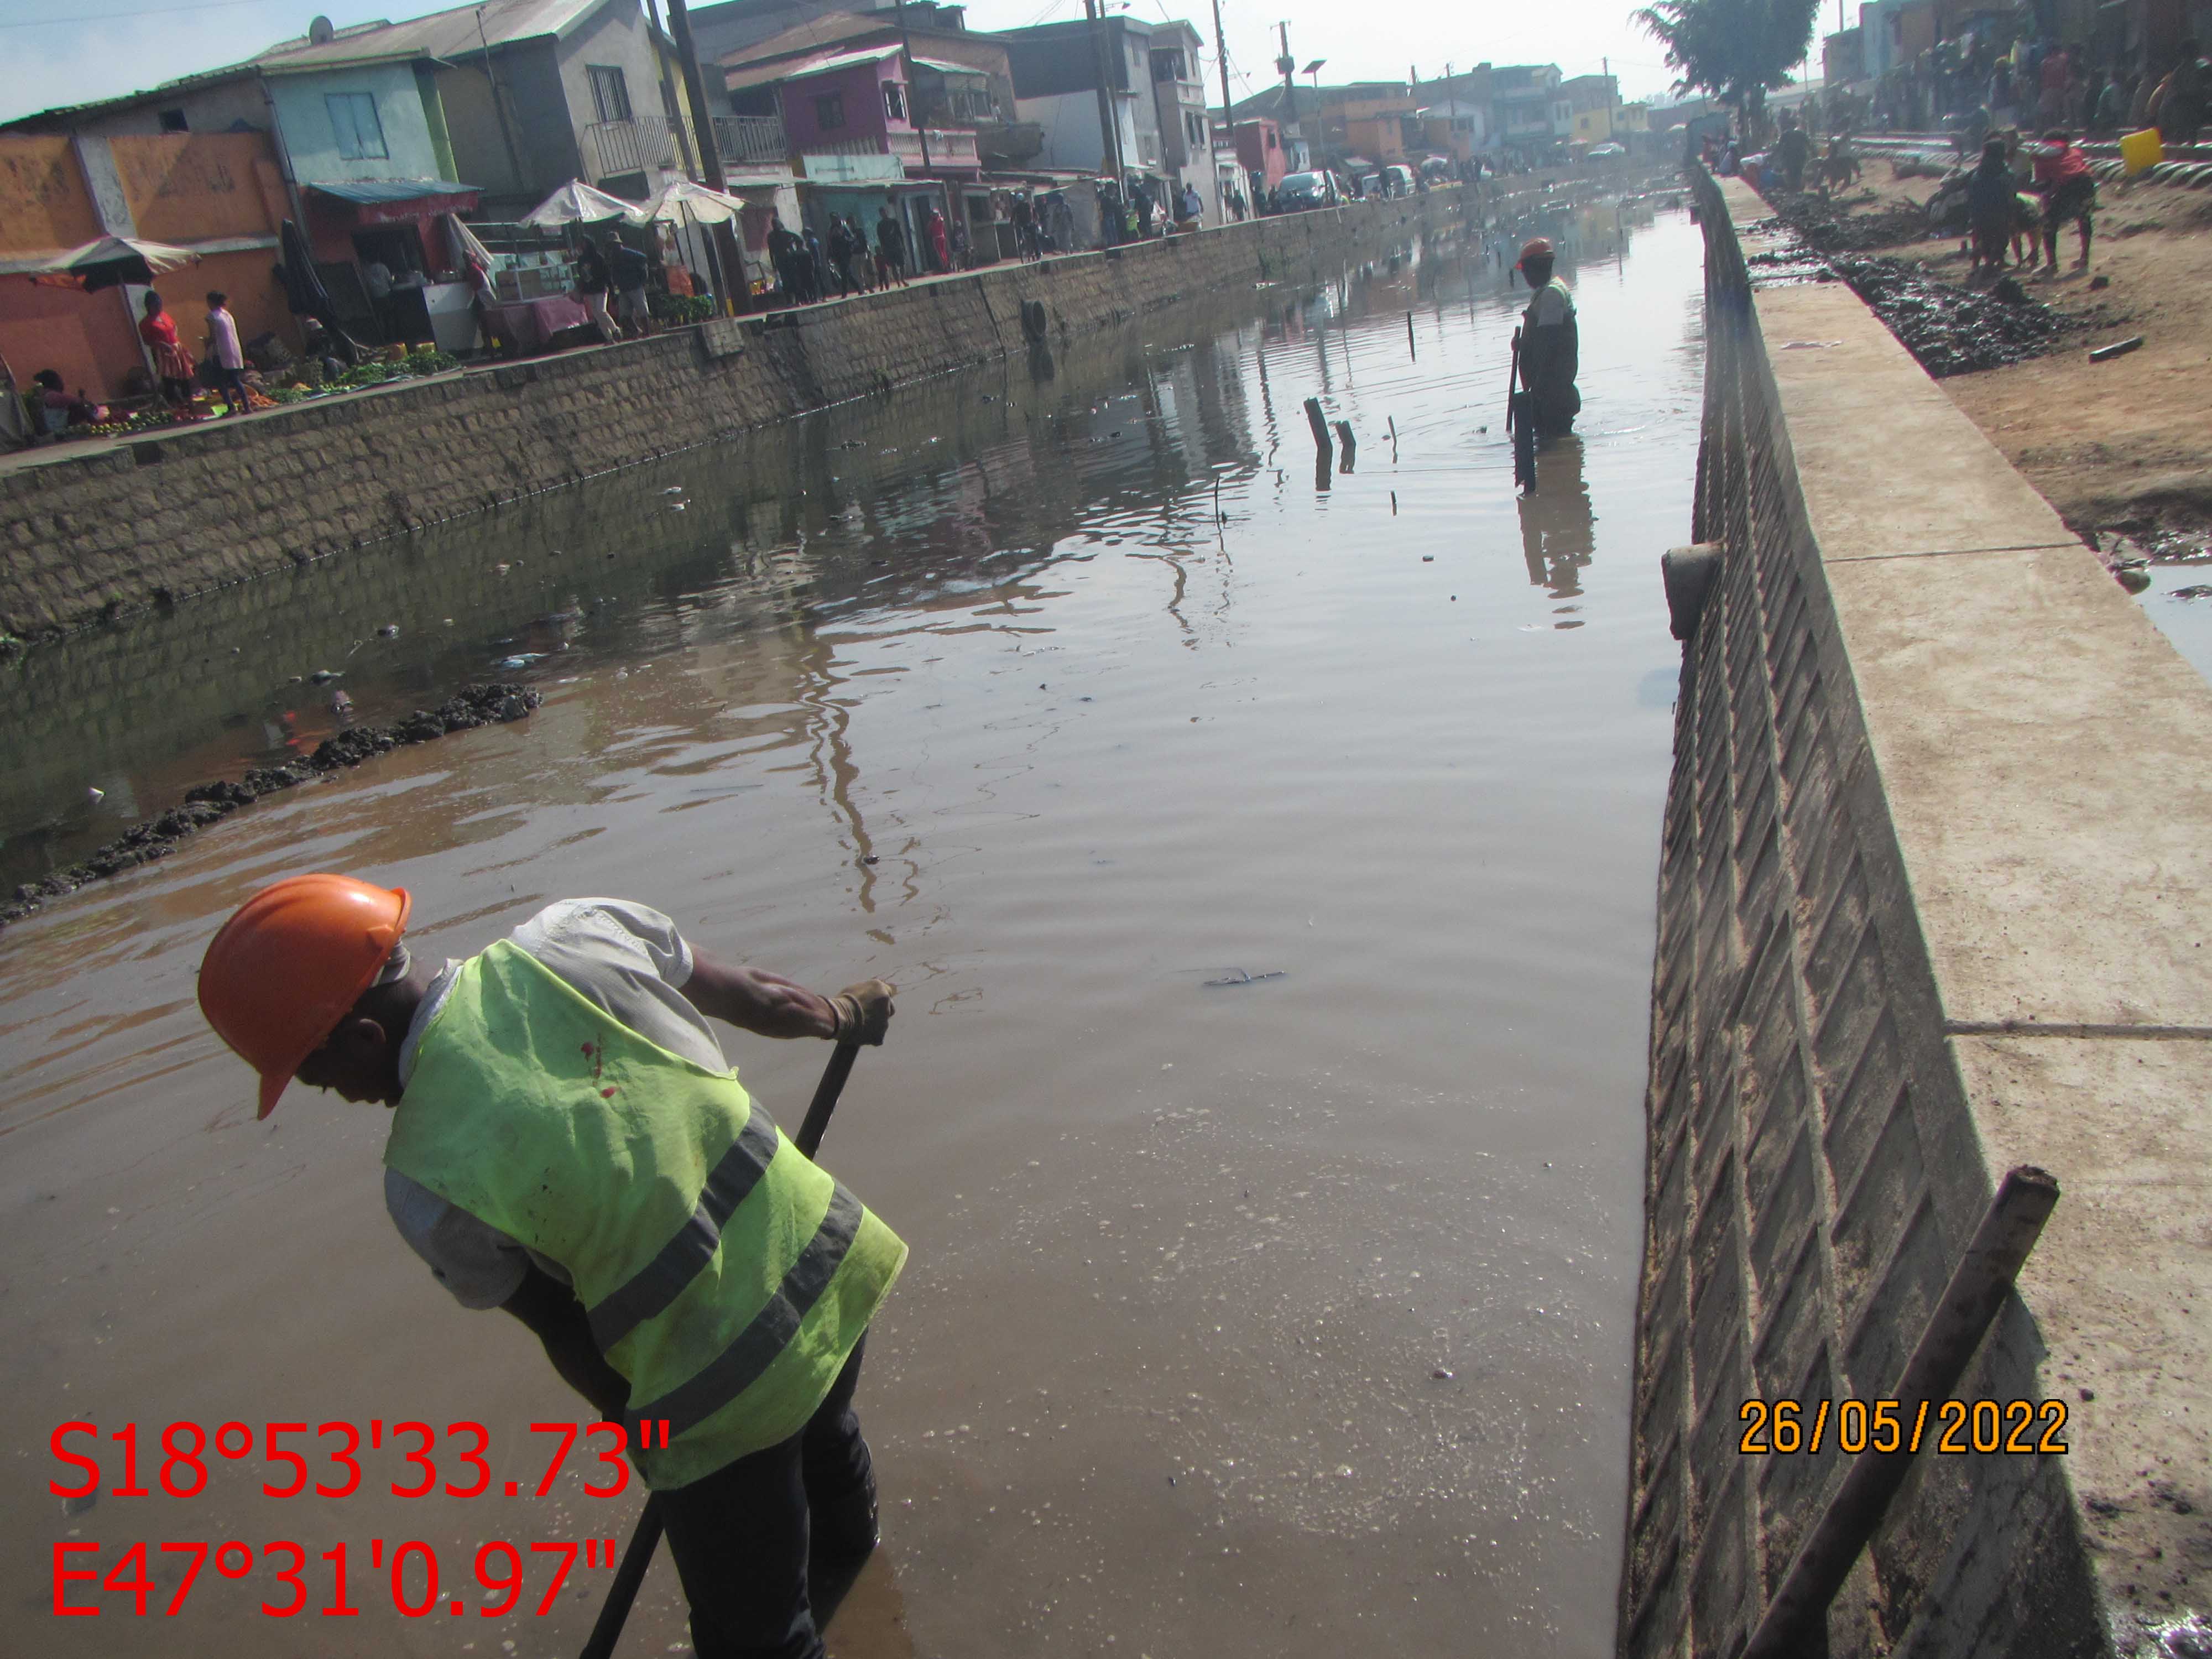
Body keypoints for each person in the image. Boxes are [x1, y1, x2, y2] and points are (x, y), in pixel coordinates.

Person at [195, 878, 906, 1659]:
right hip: (830, 1262)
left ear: (363, 1037)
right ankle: (874, 1592)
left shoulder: (423, 1183)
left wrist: (656, 1440)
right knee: (825, 1436)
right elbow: (761, 999)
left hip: (718, 1390)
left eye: (314, 1076)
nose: (331, 1096)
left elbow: (570, 1337)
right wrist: (842, 1015)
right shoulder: (576, 932)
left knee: (758, 1639)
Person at [1514, 238, 1580, 439]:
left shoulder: (1551, 295)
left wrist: (1536, 396)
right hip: (1551, 394)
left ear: (1536, 268)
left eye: (1525, 271)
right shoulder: (1548, 291)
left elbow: (1548, 346)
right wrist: (1523, 345)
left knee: (1553, 445)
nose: (1525, 276)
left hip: (1553, 397)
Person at [2033, 128, 2096, 271]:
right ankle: (2084, 258)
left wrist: (2047, 201)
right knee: (2084, 218)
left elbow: (2043, 185)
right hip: (2087, 183)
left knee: (2049, 224)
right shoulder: (2075, 151)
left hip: (2067, 186)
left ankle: (2052, 264)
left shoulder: (2041, 156)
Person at [138, 291, 197, 413]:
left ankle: (190, 404)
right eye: (156, 305)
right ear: (149, 306)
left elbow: (174, 327)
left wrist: (175, 341)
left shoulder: (165, 316)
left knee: (184, 377)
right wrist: (162, 344)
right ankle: (175, 407)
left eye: (160, 304)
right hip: (162, 354)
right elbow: (147, 341)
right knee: (169, 380)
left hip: (176, 350)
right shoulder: (145, 323)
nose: (159, 307)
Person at [1966, 135, 2017, 276]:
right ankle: (1988, 267)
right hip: (1999, 212)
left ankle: (1975, 266)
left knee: (1981, 238)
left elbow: (1970, 194)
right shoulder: (2005, 172)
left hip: (1978, 212)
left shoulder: (1978, 172)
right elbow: (2010, 195)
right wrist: (2012, 214)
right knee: (2000, 240)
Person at [204, 290, 251, 415]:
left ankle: (231, 407)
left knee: (221, 381)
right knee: (235, 380)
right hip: (234, 350)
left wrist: (206, 343)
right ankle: (247, 406)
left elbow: (213, 337)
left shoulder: (212, 316)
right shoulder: (228, 315)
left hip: (221, 351)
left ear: (211, 302)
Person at [30, 368, 105, 435]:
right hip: (57, 427)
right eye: (60, 381)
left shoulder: (47, 394)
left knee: (80, 407)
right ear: (55, 383)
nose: (63, 384)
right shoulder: (51, 395)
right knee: (78, 407)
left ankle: (93, 423)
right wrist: (82, 400)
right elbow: (76, 401)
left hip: (58, 424)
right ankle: (96, 424)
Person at [573, 238, 618, 343]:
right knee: (597, 315)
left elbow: (607, 275)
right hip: (589, 290)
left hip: (601, 288)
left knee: (601, 311)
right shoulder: (581, 259)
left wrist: (612, 291)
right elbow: (581, 275)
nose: (583, 247)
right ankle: (609, 338)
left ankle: (615, 329)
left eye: (584, 244)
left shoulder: (598, 258)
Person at [609, 237, 653, 337]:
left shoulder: (628, 253)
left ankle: (647, 332)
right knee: (624, 316)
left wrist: (640, 275)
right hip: (623, 289)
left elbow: (644, 258)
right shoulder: (614, 257)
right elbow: (614, 273)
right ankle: (637, 330)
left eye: (614, 245)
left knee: (642, 312)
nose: (613, 248)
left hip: (635, 286)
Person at [1774, 113, 1811, 192]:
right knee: (1799, 172)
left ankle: (1793, 189)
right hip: (1801, 156)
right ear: (1796, 125)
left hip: (1789, 157)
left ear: (1789, 125)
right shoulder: (1801, 133)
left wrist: (1773, 155)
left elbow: (1779, 147)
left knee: (1791, 173)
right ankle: (1799, 189)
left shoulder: (1785, 134)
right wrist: (1814, 153)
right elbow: (1809, 144)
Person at [874, 206, 908, 284]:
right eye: (882, 213)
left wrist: (903, 246)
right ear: (880, 214)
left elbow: (900, 234)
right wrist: (883, 250)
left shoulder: (894, 222)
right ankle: (898, 282)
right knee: (893, 266)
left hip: (897, 246)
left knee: (902, 264)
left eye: (885, 212)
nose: (884, 214)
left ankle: (903, 279)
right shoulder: (880, 225)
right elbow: (881, 238)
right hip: (888, 248)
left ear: (887, 212)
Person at [925, 206, 950, 274]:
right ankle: (946, 265)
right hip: (942, 237)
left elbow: (928, 231)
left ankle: (944, 267)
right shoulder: (941, 220)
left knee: (940, 253)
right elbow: (943, 222)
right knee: (944, 252)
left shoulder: (932, 223)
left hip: (937, 239)